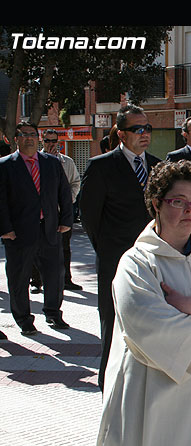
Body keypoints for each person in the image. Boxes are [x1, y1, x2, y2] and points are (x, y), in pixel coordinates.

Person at [95, 160, 191, 446]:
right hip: (159, 389)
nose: (190, 210)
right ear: (156, 203)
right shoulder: (137, 263)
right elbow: (149, 326)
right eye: (179, 201)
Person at [80, 104, 162, 391]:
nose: (144, 134)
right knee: (114, 325)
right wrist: (106, 249)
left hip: (152, 261)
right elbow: (89, 215)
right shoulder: (101, 166)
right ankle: (108, 387)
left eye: (147, 128)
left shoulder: (157, 166)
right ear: (121, 134)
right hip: (115, 260)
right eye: (137, 129)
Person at [0, 121, 73, 335]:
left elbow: (64, 193)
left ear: (38, 137)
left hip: (49, 229)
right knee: (19, 278)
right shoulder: (5, 165)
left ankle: (53, 313)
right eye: (24, 134)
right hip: (17, 233)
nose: (29, 138)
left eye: (33, 134)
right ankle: (24, 319)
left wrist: (66, 220)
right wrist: (5, 228)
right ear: (16, 139)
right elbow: (1, 200)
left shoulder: (51, 163)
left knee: (55, 275)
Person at [38, 129, 82, 291]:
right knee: (38, 247)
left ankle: (66, 279)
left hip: (62, 211)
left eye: (54, 141)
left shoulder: (67, 162)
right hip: (42, 212)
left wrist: (68, 200)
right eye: (47, 141)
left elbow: (75, 182)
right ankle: (37, 281)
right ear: (42, 141)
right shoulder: (36, 160)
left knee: (64, 247)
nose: (51, 144)